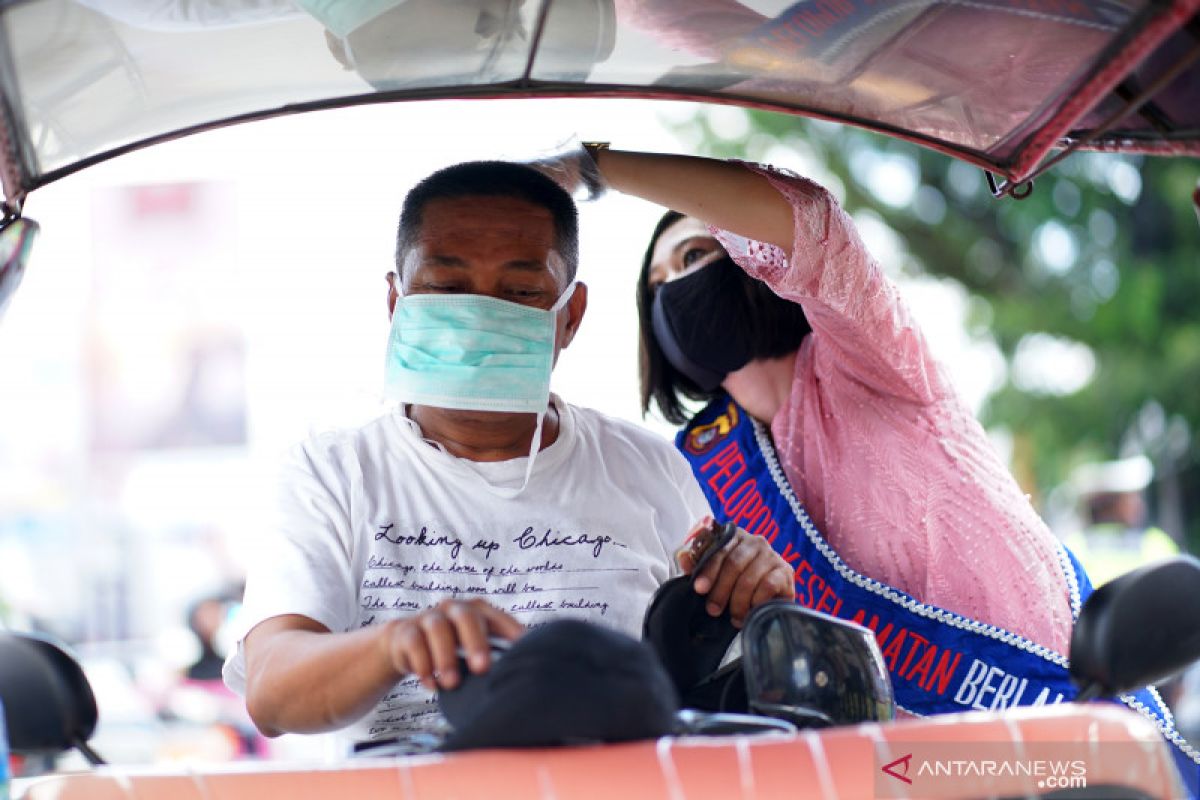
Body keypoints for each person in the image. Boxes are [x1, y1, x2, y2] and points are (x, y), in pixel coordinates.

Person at [554, 148, 1198, 776]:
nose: (674, 291)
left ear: (752, 261)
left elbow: (808, 222)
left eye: (695, 256)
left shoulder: (874, 358)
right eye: (657, 286)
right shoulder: (699, 469)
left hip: (1066, 748)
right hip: (897, 775)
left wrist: (594, 165)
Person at [221, 160, 794, 749]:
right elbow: (271, 690)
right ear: (396, 303)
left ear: (569, 316)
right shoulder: (330, 475)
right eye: (445, 287)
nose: (479, 316)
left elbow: (709, 688)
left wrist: (758, 605)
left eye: (520, 292)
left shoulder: (650, 470)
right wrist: (396, 644)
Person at [1064, 455, 1179, 588]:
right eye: (1131, 498)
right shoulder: (1155, 543)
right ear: (1111, 504)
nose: (1139, 504)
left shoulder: (1075, 545)